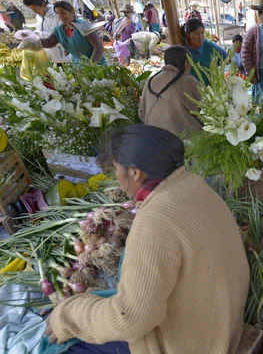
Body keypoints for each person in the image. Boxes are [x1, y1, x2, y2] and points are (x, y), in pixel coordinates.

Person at [44, 124, 249, 353]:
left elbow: (130, 319)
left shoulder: (154, 222)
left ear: (134, 173)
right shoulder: (194, 184)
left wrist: (66, 318)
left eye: (116, 171)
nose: (118, 179)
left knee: (63, 346)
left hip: (202, 342)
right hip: (223, 320)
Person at [139, 46, 203, 135]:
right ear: (186, 63)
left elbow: (142, 114)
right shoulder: (189, 81)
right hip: (186, 140)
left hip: (153, 138)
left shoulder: (150, 82)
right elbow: (206, 111)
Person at [36, 1, 105, 65]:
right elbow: (49, 42)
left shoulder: (84, 26)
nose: (60, 16)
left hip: (97, 67)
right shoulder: (59, 30)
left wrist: (91, 65)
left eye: (63, 13)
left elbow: (98, 47)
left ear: (72, 12)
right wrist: (32, 40)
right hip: (79, 67)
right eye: (57, 13)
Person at [22, 0, 70, 64]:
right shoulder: (39, 17)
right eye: (32, 10)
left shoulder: (58, 15)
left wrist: (38, 34)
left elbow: (64, 37)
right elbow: (40, 32)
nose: (35, 12)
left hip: (63, 58)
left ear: (44, 5)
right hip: (48, 58)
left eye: (36, 9)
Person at [182, 18, 227, 86]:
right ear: (188, 34)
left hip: (209, 88)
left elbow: (225, 56)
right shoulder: (181, 46)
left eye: (202, 33)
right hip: (190, 88)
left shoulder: (209, 46)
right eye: (196, 34)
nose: (200, 37)